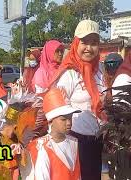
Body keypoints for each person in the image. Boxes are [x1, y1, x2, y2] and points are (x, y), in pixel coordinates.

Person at [49, 20, 105, 180]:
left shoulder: (99, 70)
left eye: (94, 43)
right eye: (84, 42)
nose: (89, 48)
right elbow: (58, 108)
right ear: (75, 43)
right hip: (75, 140)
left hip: (96, 139)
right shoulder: (70, 73)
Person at [27, 88, 81, 180]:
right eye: (63, 119)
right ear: (51, 121)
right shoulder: (43, 148)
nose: (68, 122)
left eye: (70, 118)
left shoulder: (74, 141)